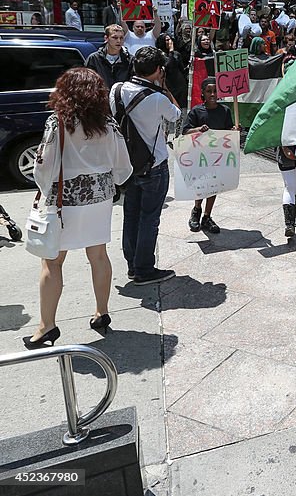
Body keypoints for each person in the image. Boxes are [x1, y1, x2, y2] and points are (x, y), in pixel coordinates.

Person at [23, 68, 133, 348]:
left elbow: (43, 166)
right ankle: (101, 311)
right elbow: (123, 167)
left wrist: (45, 191)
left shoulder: (58, 122)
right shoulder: (108, 123)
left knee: (52, 261)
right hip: (100, 199)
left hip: (65, 201)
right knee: (98, 255)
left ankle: (46, 325)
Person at [112, 46, 180, 285]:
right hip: (154, 166)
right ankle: (144, 269)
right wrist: (163, 85)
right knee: (149, 219)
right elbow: (176, 114)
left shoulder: (117, 90)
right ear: (159, 70)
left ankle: (132, 265)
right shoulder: (158, 98)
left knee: (130, 215)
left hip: (126, 165)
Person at [183, 78, 236, 234]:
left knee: (214, 187)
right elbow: (185, 131)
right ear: (203, 93)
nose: (212, 94)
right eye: (209, 91)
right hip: (200, 156)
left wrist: (234, 130)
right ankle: (196, 211)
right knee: (201, 185)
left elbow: (228, 132)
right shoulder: (196, 111)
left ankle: (207, 217)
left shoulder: (225, 111)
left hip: (218, 156)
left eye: (215, 91)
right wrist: (198, 129)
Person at [85, 24, 133, 89]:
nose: (119, 41)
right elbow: (88, 83)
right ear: (106, 38)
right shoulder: (94, 59)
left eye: (121, 38)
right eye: (115, 38)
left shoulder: (130, 60)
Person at [157, 33, 189, 108]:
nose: (170, 42)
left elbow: (182, 70)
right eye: (167, 40)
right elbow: (169, 67)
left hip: (180, 86)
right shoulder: (160, 55)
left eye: (170, 39)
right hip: (169, 86)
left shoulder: (176, 54)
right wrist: (171, 51)